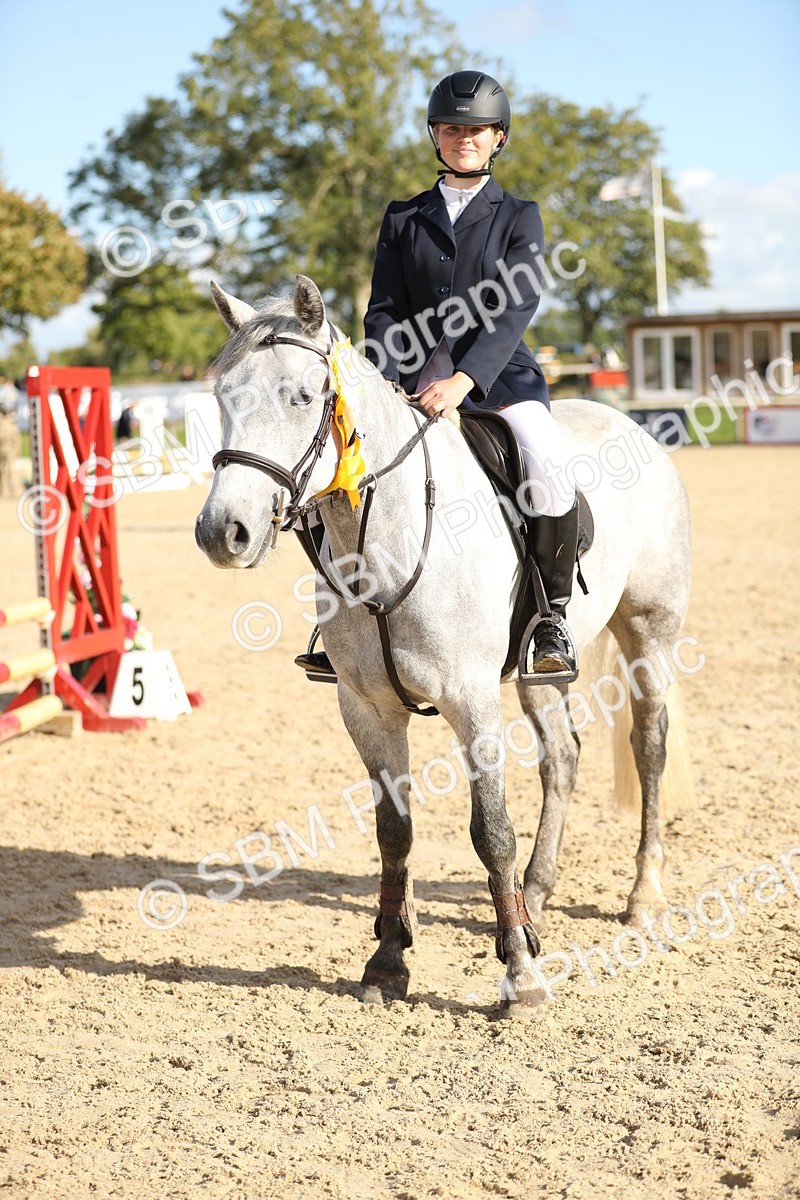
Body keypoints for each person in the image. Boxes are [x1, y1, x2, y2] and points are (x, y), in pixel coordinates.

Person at [296, 70, 579, 683]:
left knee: (548, 466)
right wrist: (387, 380)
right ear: (435, 135)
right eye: (453, 128)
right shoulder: (403, 218)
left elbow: (514, 308)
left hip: (499, 381)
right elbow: (385, 308)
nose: (464, 138)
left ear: (498, 137)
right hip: (408, 380)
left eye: (476, 129)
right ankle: (339, 619)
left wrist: (465, 381)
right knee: (331, 472)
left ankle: (551, 619)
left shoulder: (519, 216)